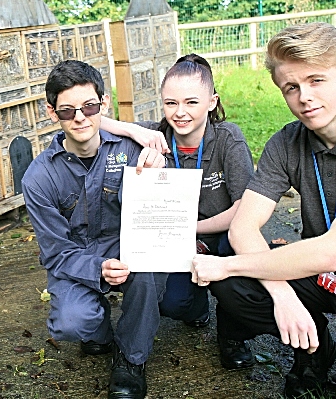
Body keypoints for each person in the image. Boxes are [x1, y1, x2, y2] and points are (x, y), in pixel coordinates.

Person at [191, 22, 336, 399]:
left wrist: (226, 263)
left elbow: (333, 250)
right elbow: (242, 230)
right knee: (233, 288)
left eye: (316, 80)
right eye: (291, 87)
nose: (304, 97)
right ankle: (315, 348)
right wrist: (284, 296)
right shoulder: (286, 142)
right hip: (312, 264)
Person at [21, 60, 167, 399]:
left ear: (103, 104)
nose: (80, 117)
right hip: (77, 259)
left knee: (149, 273)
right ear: (51, 112)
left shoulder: (132, 149)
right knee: (72, 322)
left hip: (128, 249)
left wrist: (160, 166)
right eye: (68, 110)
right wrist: (97, 268)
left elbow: (177, 138)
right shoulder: (39, 178)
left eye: (89, 106)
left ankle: (131, 358)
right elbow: (55, 252)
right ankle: (99, 335)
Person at [102, 54, 256, 370]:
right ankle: (195, 306)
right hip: (172, 243)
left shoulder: (228, 138)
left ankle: (232, 335)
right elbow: (94, 120)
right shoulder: (156, 137)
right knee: (172, 303)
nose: (180, 112)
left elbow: (245, 207)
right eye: (170, 103)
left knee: (237, 248)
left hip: (220, 238)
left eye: (191, 102)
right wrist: (134, 132)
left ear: (212, 101)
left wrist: (192, 232)